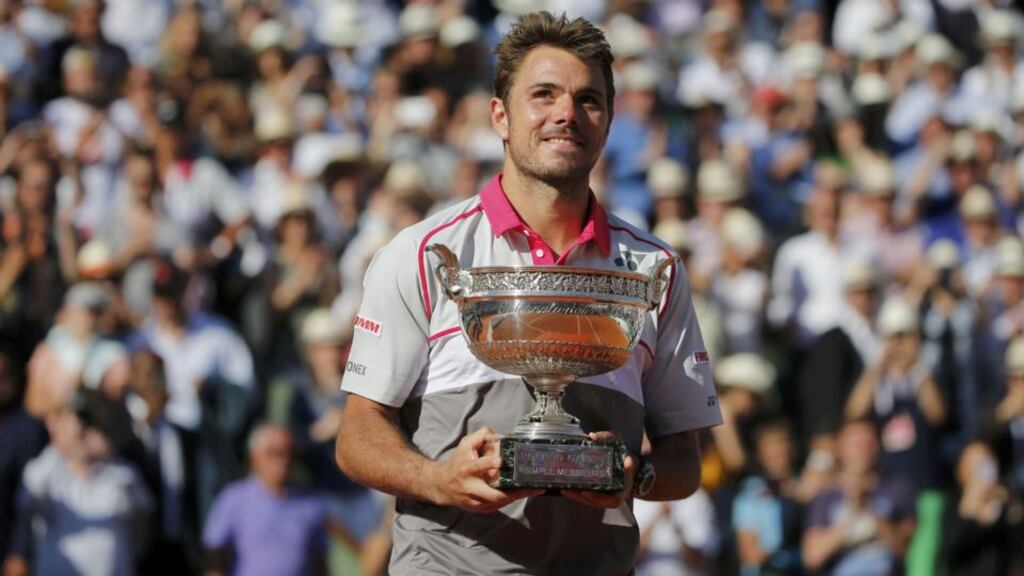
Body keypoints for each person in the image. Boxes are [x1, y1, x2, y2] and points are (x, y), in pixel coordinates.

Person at [334, 12, 721, 574]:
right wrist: (439, 479)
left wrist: (638, 476)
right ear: (500, 116)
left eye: (588, 100)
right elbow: (357, 436)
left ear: (609, 121)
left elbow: (685, 456)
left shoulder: (654, 270)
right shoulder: (420, 254)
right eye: (543, 95)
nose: (566, 113)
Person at [203, 424, 328, 576]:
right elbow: (215, 559)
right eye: (274, 453)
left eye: (290, 453)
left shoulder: (310, 504)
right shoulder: (233, 500)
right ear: (254, 457)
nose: (284, 460)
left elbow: (320, 562)